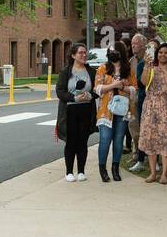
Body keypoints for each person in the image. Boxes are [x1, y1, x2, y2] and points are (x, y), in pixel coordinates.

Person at [137, 41, 167, 183]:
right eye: (160, 52)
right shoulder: (151, 67)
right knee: (151, 138)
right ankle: (153, 173)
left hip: (166, 106)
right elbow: (143, 82)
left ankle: (164, 174)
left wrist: (165, 70)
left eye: (166, 52)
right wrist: (146, 66)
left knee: (165, 139)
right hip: (150, 105)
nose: (163, 55)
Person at [93, 41, 136, 182]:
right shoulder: (102, 68)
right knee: (105, 140)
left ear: (121, 53)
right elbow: (97, 89)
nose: (112, 54)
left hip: (123, 110)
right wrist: (113, 85)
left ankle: (115, 168)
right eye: (110, 52)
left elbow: (134, 89)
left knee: (118, 140)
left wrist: (123, 87)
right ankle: (102, 169)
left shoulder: (128, 69)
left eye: (115, 52)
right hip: (106, 111)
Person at [56, 43, 97, 181]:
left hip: (86, 110)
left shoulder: (91, 72)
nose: (84, 55)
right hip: (70, 110)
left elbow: (97, 90)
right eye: (80, 53)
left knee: (83, 141)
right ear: (73, 55)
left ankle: (81, 171)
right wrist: (73, 97)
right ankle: (69, 172)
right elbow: (60, 91)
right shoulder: (66, 72)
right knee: (71, 141)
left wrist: (90, 96)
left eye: (85, 52)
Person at [127, 33, 148, 172]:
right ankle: (137, 153)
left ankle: (149, 156)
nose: (133, 46)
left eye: (135, 43)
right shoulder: (131, 61)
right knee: (134, 128)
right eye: (132, 43)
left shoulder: (149, 59)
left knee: (148, 129)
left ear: (143, 45)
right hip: (134, 100)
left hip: (148, 98)